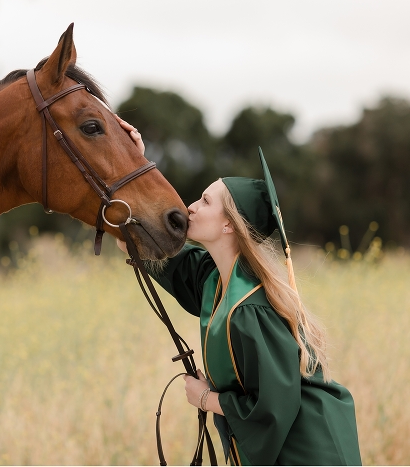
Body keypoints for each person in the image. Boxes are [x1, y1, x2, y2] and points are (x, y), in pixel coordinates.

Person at [116, 117, 362, 466]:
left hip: (309, 451)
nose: (191, 207)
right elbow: (141, 236)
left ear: (229, 224)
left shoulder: (252, 307)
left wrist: (206, 399)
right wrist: (131, 161)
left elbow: (274, 406)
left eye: (205, 201)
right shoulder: (213, 281)